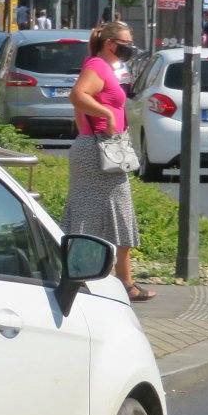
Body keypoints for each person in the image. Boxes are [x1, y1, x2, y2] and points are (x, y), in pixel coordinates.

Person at [63, 21, 154, 302]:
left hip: (98, 147)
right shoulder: (98, 67)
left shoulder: (103, 67)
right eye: (125, 41)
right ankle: (121, 282)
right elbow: (78, 95)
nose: (130, 46)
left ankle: (80, 275)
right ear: (110, 43)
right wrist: (108, 115)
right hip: (98, 150)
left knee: (89, 215)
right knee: (115, 212)